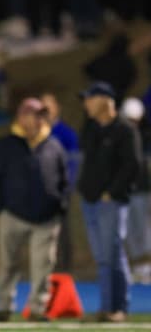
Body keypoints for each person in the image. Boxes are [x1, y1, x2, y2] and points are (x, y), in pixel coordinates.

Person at [0, 97, 68, 322]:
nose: (40, 119)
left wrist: (60, 205)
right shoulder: (6, 145)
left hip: (47, 217)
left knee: (43, 266)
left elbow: (64, 179)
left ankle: (37, 309)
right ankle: (5, 306)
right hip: (12, 214)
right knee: (8, 263)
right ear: (22, 116)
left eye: (42, 114)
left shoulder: (53, 144)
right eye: (36, 114)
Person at [78, 82, 141, 322]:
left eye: (89, 98)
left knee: (113, 254)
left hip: (111, 202)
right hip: (91, 201)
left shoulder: (125, 130)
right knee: (103, 257)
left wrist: (111, 192)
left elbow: (132, 166)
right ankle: (106, 307)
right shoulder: (92, 128)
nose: (85, 104)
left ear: (105, 100)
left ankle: (119, 307)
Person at [40, 92, 79, 272]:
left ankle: (65, 271)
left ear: (57, 108)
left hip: (59, 190)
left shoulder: (66, 134)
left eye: (49, 107)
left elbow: (74, 162)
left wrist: (66, 186)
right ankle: (47, 269)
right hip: (40, 191)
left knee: (61, 230)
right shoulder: (36, 133)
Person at [120, 97, 151, 283]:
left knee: (144, 229)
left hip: (142, 190)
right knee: (129, 231)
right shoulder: (121, 136)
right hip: (126, 191)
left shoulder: (145, 136)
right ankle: (135, 267)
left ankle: (145, 267)